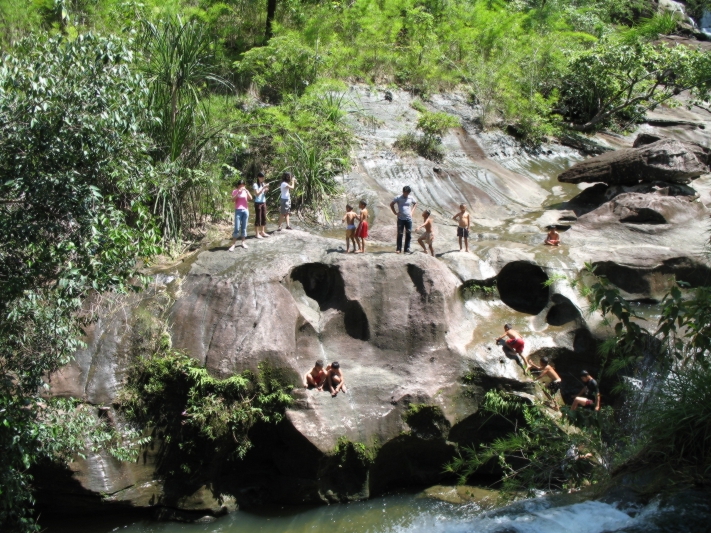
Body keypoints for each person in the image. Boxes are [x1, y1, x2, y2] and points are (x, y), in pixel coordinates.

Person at [390, 186, 417, 254]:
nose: (406, 194)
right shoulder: (398, 197)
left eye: (407, 193)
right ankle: (398, 249)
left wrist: (412, 212)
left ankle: (406, 249)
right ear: (403, 192)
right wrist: (395, 213)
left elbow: (415, 203)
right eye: (405, 193)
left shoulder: (411, 198)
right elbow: (391, 204)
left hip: (408, 219)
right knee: (400, 233)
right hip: (401, 219)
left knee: (408, 233)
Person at [228, 180, 252, 251]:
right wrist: (238, 193)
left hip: (245, 210)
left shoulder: (246, 191)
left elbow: (250, 198)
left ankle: (243, 242)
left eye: (243, 185)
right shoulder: (235, 191)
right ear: (238, 185)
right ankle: (233, 244)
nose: (242, 186)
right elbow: (232, 200)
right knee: (237, 228)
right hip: (238, 210)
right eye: (240, 185)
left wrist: (247, 191)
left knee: (244, 227)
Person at [253, 172, 270, 239]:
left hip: (263, 202)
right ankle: (257, 233)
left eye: (263, 178)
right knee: (258, 218)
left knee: (264, 217)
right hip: (258, 203)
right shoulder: (255, 185)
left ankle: (262, 232)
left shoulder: (263, 184)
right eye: (261, 178)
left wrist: (266, 190)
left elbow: (263, 193)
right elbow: (257, 194)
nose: (262, 179)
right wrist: (263, 188)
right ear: (258, 177)